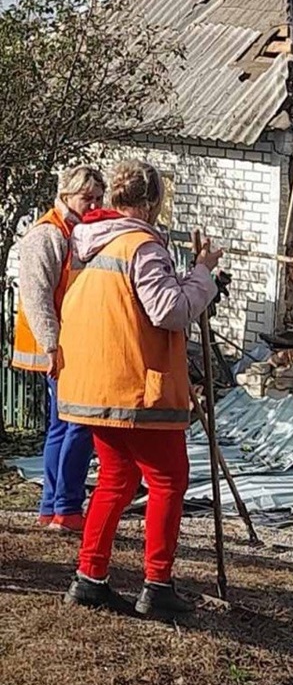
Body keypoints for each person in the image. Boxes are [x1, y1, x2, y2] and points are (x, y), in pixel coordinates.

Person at [56, 159, 223, 618]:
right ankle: (158, 584)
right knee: (169, 479)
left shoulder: (88, 243)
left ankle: (89, 578)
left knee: (116, 478)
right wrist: (203, 275)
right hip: (138, 386)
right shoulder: (141, 246)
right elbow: (168, 310)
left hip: (96, 384)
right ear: (151, 202)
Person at [12, 165, 106, 534]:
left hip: (71, 342)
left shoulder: (75, 231)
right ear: (67, 195)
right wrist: (52, 346)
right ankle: (65, 507)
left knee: (63, 424)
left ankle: (54, 506)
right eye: (88, 198)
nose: (94, 204)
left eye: (99, 198)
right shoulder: (48, 233)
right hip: (56, 345)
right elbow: (36, 297)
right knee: (78, 424)